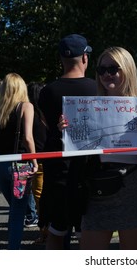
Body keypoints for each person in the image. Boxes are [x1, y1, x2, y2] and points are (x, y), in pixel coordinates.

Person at [66, 46, 137, 250]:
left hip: (131, 191)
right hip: (96, 190)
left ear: (127, 70)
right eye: (101, 70)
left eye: (113, 68)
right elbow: (77, 153)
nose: (107, 74)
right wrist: (68, 131)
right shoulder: (85, 108)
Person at [38, 34, 97, 249]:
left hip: (58, 171)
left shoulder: (47, 91)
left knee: (56, 231)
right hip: (88, 171)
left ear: (61, 59)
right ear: (84, 58)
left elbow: (46, 127)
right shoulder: (97, 89)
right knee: (87, 234)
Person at [0, 73, 38, 250]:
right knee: (17, 213)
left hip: (0, 164)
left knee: (15, 210)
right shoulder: (26, 106)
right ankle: (13, 252)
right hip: (21, 165)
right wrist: (35, 161)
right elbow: (28, 138)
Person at [26, 82, 48, 243]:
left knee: (40, 198)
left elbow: (28, 138)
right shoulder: (49, 112)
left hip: (37, 160)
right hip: (53, 159)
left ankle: (45, 232)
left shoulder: (29, 113)